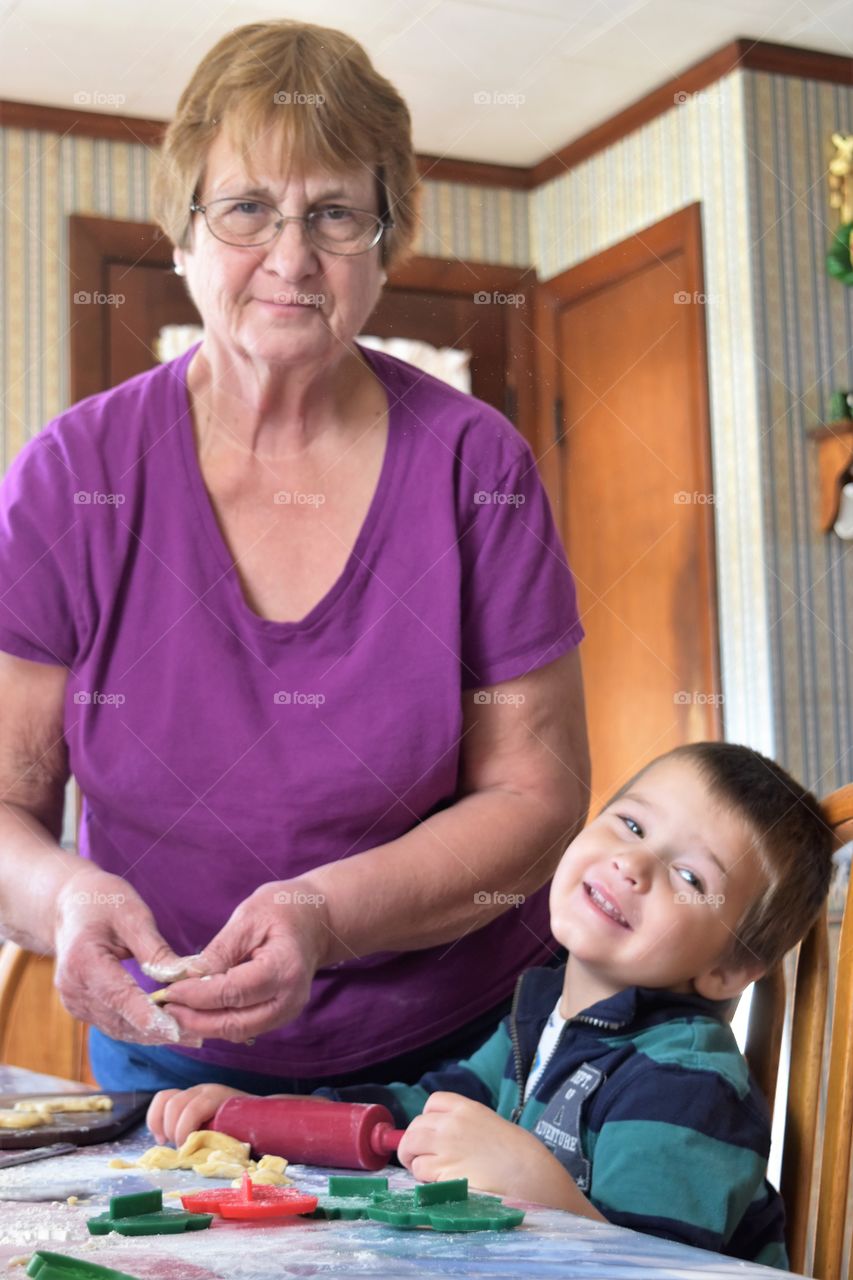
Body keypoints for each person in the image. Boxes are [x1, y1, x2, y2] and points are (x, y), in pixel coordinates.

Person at [0, 20, 589, 1093]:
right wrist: (64, 901)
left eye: (333, 213)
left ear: (384, 242)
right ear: (182, 236)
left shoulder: (473, 465)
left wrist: (324, 914)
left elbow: (537, 795)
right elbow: (7, 799)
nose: (289, 256)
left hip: (457, 1060)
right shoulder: (69, 476)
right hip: (170, 1059)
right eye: (245, 210)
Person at [147, 742, 834, 1269]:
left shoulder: (688, 1082)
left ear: (730, 967)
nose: (633, 865)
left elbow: (656, 1265)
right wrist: (259, 1118)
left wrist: (537, 1189)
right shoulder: (539, 1020)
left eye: (689, 875)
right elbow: (412, 1111)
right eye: (628, 825)